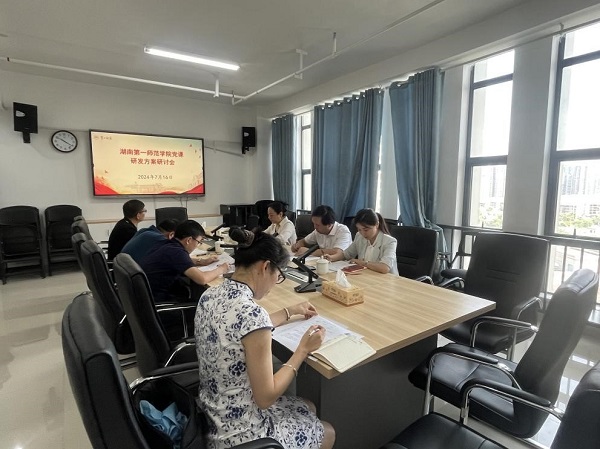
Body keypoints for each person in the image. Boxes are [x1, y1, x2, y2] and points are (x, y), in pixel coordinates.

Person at [195, 228, 335, 449]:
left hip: (212, 415)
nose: (275, 282)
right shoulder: (252, 315)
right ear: (265, 266)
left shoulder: (209, 295)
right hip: (242, 433)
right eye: (279, 276)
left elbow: (242, 328)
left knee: (308, 405)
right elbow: (266, 398)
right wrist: (302, 350)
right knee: (328, 431)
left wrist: (289, 311)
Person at [139, 220, 228, 304]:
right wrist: (221, 269)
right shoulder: (177, 252)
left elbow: (178, 261)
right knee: (202, 302)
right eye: (199, 242)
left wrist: (201, 261)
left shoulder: (167, 244)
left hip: (144, 298)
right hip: (158, 302)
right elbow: (202, 279)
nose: (198, 245)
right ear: (189, 240)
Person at [325, 208, 398, 275]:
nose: (363, 233)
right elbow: (347, 254)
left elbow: (384, 268)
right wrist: (332, 258)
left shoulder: (390, 241)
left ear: (377, 225)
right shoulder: (359, 236)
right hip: (367, 276)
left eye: (366, 230)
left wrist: (363, 263)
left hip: (386, 280)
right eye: (359, 229)